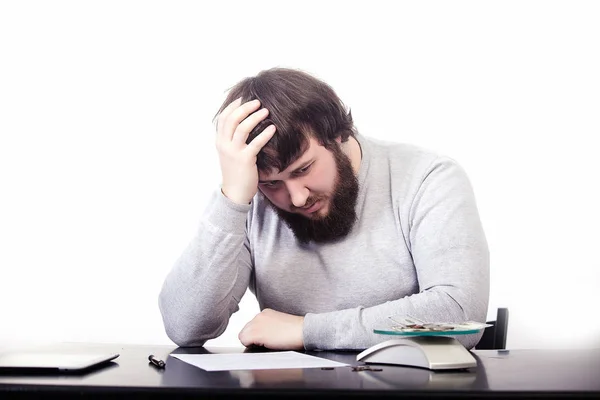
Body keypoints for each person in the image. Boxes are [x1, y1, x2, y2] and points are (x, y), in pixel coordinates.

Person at [158, 67, 490, 351]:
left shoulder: (427, 178)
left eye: (303, 169)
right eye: (272, 183)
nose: (297, 198)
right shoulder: (248, 199)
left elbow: (460, 313)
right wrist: (232, 199)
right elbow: (185, 328)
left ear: (340, 135)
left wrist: (306, 331)